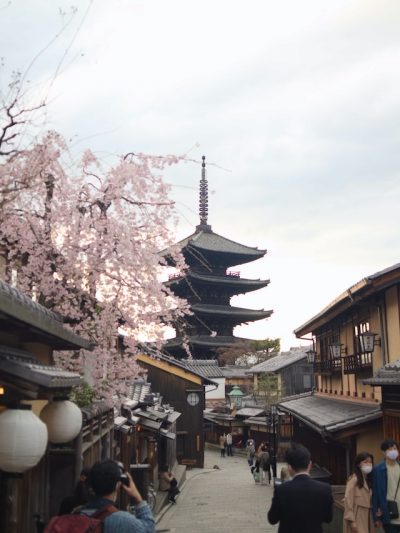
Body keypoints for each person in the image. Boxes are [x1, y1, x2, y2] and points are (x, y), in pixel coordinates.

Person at [267, 443, 333, 533]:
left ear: (289, 467)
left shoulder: (282, 490)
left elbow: (272, 519)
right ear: (309, 465)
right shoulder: (325, 489)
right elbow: (328, 518)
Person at [81, 459, 155, 533]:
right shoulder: (124, 521)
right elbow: (148, 530)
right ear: (117, 485)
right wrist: (137, 497)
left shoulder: (77, 514)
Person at [343, 451, 376, 533]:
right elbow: (348, 500)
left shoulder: (370, 480)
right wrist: (352, 521)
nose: (368, 464)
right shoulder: (354, 479)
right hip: (357, 515)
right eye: (365, 462)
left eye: (370, 462)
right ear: (358, 464)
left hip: (368, 516)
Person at [372, 438, 400, 532]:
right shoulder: (378, 470)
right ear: (384, 452)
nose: (393, 451)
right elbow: (375, 494)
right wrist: (376, 517)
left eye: (395, 448)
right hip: (389, 514)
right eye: (390, 449)